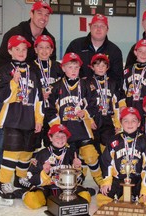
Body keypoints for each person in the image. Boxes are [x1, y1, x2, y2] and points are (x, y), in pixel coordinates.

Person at [0, 1, 55, 190]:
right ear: (32, 13)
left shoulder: (48, 37)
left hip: (31, 93)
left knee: (29, 135)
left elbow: (46, 67)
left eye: (47, 14)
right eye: (40, 13)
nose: (43, 17)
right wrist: (8, 82)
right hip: (10, 94)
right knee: (4, 133)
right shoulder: (15, 32)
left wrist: (42, 87)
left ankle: (22, 174)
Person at [0, 35, 43, 206]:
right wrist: (14, 83)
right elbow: (4, 97)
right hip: (12, 119)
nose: (21, 52)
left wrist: (39, 119)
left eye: (24, 49)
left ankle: (20, 179)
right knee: (12, 154)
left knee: (26, 153)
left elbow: (38, 99)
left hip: (29, 119)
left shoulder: (33, 71)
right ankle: (3, 183)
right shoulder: (3, 71)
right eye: (17, 49)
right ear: (10, 51)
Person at [46, 52, 103, 186]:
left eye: (76, 67)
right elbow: (49, 109)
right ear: (63, 68)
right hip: (64, 132)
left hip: (82, 130)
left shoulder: (87, 85)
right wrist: (57, 128)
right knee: (68, 159)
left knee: (90, 155)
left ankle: (100, 180)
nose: (73, 70)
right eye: (70, 67)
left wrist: (86, 112)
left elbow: (95, 104)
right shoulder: (55, 87)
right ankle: (75, 180)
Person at [97, 107, 146, 209]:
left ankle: (131, 196)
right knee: (102, 198)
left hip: (138, 179)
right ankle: (123, 196)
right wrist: (106, 182)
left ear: (138, 123)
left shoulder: (145, 141)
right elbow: (107, 162)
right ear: (121, 123)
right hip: (119, 179)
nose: (130, 124)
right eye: (126, 121)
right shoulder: (113, 140)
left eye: (133, 120)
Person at [22, 124, 93, 209]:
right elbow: (31, 177)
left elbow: (80, 180)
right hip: (47, 189)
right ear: (50, 138)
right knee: (31, 200)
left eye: (63, 136)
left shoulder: (71, 153)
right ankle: (25, 193)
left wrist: (76, 168)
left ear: (67, 138)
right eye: (57, 136)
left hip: (68, 190)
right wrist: (45, 172)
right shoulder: (41, 154)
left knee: (85, 197)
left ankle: (62, 201)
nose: (60, 139)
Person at [66, 13, 123, 90]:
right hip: (78, 92)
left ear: (107, 29)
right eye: (95, 25)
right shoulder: (76, 45)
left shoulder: (114, 51)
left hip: (104, 95)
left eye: (102, 26)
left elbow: (117, 79)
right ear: (90, 27)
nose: (98, 29)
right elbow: (66, 69)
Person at [31, 35, 64, 149]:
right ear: (35, 50)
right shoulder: (30, 67)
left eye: (47, 47)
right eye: (41, 47)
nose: (44, 51)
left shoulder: (58, 67)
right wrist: (39, 93)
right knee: (33, 145)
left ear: (51, 50)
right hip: (35, 113)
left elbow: (64, 87)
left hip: (53, 112)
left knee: (53, 144)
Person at [87, 53, 121, 154]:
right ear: (92, 67)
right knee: (94, 149)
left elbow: (116, 104)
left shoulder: (112, 83)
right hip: (94, 119)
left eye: (103, 65)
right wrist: (89, 119)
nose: (100, 68)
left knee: (108, 147)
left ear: (107, 67)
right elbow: (84, 104)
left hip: (108, 120)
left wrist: (117, 123)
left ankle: (107, 168)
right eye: (97, 65)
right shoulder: (87, 83)